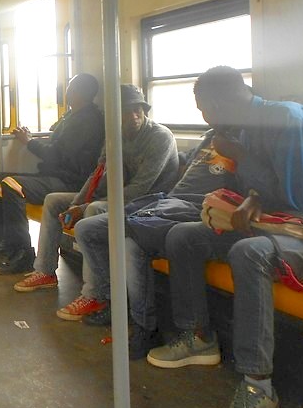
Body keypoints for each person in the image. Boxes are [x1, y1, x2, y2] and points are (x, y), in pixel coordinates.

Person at [145, 66, 303, 408]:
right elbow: (264, 191)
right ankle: (198, 337)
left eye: (204, 109)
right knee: (184, 236)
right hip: (284, 230)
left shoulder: (288, 120)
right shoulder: (245, 128)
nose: (205, 118)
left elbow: (302, 199)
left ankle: (258, 389)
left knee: (249, 252)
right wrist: (245, 199)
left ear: (219, 103)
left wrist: (241, 157)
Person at [14, 84, 180, 322]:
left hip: (149, 203)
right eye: (126, 111)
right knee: (53, 201)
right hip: (119, 197)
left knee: (93, 209)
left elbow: (140, 189)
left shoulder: (159, 137)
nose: (134, 116)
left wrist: (83, 207)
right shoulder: (115, 136)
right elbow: (98, 173)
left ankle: (95, 294)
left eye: (138, 110)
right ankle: (45, 271)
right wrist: (76, 202)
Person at [71, 129, 236, 358]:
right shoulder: (211, 137)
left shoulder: (243, 141)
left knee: (131, 241)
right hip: (167, 202)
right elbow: (189, 164)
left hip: (194, 209)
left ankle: (144, 327)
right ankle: (111, 301)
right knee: (86, 229)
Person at [0, 73, 106, 274]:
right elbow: (56, 138)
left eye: (70, 88)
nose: (66, 91)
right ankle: (0, 242)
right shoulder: (71, 116)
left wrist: (29, 142)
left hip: (70, 181)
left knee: (11, 185)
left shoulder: (89, 121)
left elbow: (55, 155)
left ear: (79, 93)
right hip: (53, 175)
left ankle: (23, 253)